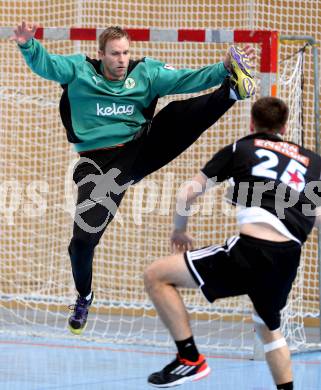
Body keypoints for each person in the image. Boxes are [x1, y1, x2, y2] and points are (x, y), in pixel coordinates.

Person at [12, 21, 256, 335]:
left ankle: (232, 91)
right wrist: (28, 46)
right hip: (99, 166)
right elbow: (47, 65)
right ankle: (84, 296)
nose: (122, 59)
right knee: (82, 242)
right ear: (100, 54)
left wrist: (223, 67)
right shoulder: (77, 70)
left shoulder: (145, 73)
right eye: (114, 54)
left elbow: (187, 79)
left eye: (126, 52)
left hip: (139, 150)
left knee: (174, 117)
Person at [144, 96, 321, 389]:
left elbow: (187, 193)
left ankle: (190, 360)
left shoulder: (242, 147)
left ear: (252, 123)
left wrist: (180, 231)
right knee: (270, 330)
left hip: (251, 251)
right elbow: (315, 216)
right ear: (285, 127)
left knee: (156, 276)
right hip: (288, 257)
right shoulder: (313, 162)